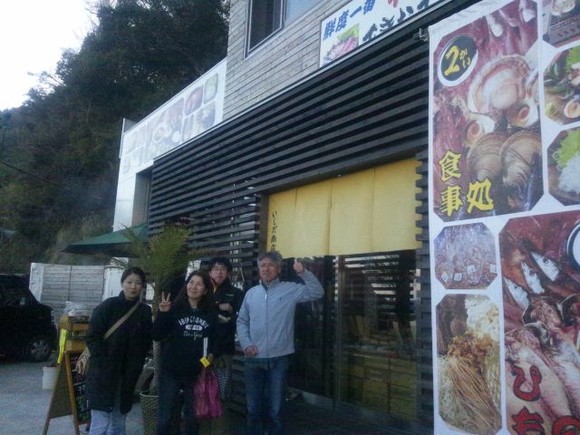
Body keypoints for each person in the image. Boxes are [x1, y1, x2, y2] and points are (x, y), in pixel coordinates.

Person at [237, 251, 324, 435]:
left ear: (278, 268)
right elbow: (242, 321)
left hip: (279, 358)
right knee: (253, 409)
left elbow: (317, 292)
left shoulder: (290, 289)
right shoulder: (251, 294)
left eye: (270, 265)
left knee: (276, 410)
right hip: (253, 358)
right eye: (262, 265)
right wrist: (246, 344)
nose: (266, 269)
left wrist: (303, 273)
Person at [85, 267, 152, 435]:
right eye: (129, 282)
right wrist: (102, 360)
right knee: (100, 423)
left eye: (138, 283)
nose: (133, 287)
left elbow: (147, 340)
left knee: (119, 422)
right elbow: (92, 336)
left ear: (142, 286)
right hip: (103, 373)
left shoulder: (144, 311)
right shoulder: (108, 306)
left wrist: (137, 363)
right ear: (122, 283)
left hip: (127, 375)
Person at [153, 270, 219, 435]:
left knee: (192, 418)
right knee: (165, 417)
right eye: (191, 282)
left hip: (196, 374)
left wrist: (208, 359)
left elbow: (215, 342)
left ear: (205, 290)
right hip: (171, 371)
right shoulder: (174, 309)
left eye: (199, 284)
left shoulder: (211, 313)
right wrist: (163, 313)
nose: (193, 287)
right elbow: (157, 335)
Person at [207, 257, 244, 395]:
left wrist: (230, 315)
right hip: (203, 347)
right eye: (216, 269)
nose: (219, 272)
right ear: (210, 272)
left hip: (224, 347)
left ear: (228, 273)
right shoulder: (203, 290)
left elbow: (243, 319)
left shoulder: (236, 293)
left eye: (223, 269)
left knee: (222, 386)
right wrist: (218, 307)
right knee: (202, 380)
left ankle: (221, 408)